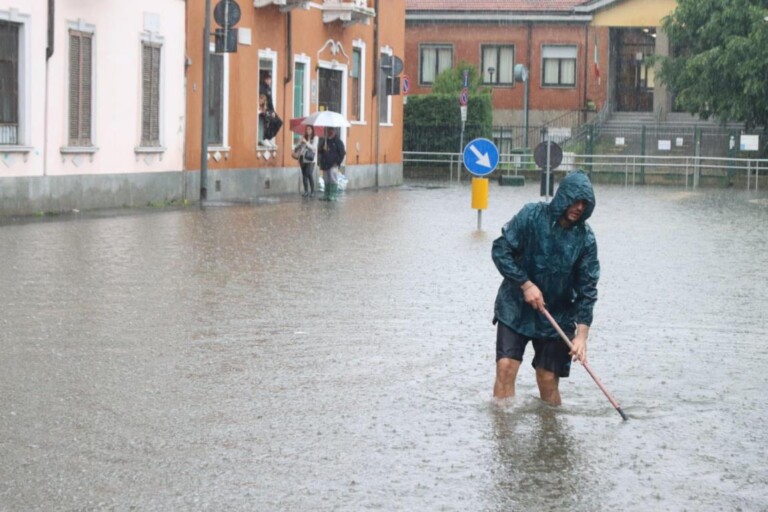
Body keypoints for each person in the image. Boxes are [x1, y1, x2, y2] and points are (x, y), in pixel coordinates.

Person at [491, 170, 600, 406]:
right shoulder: (531, 216)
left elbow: (587, 289)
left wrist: (582, 336)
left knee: (547, 378)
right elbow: (501, 250)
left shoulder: (586, 240)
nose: (579, 207)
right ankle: (501, 433)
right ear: (563, 196)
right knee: (506, 367)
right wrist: (525, 284)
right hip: (515, 307)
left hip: (557, 315)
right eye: (575, 200)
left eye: (585, 204)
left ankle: (551, 433)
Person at [317, 126, 346, 201]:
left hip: (333, 164)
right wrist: (322, 148)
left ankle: (333, 194)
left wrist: (338, 162)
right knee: (326, 179)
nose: (330, 132)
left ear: (334, 131)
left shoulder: (338, 142)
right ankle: (327, 194)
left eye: (331, 130)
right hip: (325, 163)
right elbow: (319, 151)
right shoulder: (325, 141)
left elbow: (342, 153)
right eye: (328, 130)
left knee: (333, 179)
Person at [258, 72, 281, 147]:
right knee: (268, 119)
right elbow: (260, 99)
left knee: (278, 122)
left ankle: (269, 138)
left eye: (270, 79)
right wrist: (262, 108)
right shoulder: (261, 87)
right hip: (262, 109)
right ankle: (264, 138)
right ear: (264, 79)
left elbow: (271, 102)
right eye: (267, 79)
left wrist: (273, 111)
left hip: (269, 109)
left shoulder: (269, 89)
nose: (269, 81)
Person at [297, 125, 318, 197]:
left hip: (311, 159)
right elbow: (300, 148)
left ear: (312, 130)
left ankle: (312, 191)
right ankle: (306, 191)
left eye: (309, 129)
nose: (308, 130)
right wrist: (300, 143)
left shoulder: (315, 138)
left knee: (309, 173)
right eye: (307, 129)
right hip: (303, 158)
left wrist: (306, 142)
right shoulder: (304, 138)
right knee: (304, 175)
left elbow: (314, 148)